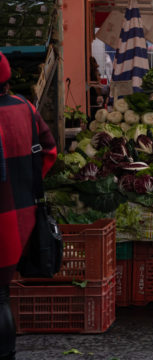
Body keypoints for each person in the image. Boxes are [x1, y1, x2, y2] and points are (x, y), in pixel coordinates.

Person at [0, 52, 58, 360]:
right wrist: (24, 186)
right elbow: (49, 150)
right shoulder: (24, 108)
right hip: (20, 214)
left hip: (5, 214)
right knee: (2, 293)